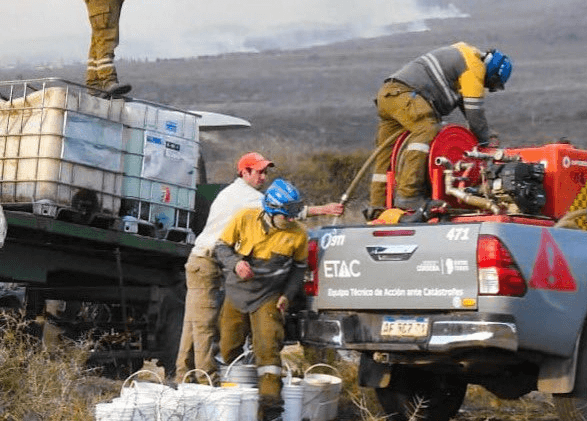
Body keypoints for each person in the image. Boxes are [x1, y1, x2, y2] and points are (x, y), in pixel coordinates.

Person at [174, 152, 341, 385]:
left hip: (203, 261)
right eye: (258, 171)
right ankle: (207, 382)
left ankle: (184, 376)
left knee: (193, 323)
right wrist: (323, 209)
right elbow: (283, 210)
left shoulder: (238, 193)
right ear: (244, 172)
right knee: (205, 325)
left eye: (265, 172)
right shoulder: (245, 197)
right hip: (208, 261)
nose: (263, 177)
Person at [369, 42, 512, 212]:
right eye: (491, 83)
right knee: (427, 128)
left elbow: (470, 115)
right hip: (406, 94)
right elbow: (475, 115)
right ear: (493, 72)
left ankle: (377, 207)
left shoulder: (463, 56)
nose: (486, 87)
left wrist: (487, 135)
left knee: (386, 155)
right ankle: (409, 196)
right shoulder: (474, 67)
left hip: (389, 95)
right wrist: (485, 147)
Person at [214, 179, 312, 421]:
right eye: (286, 215)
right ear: (271, 209)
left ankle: (270, 408)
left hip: (269, 297)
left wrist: (287, 297)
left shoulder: (298, 235)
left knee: (268, 350)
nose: (291, 220)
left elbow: (299, 269)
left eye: (294, 214)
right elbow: (221, 247)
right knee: (228, 347)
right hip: (237, 293)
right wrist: (236, 264)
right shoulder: (244, 218)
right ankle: (229, 404)